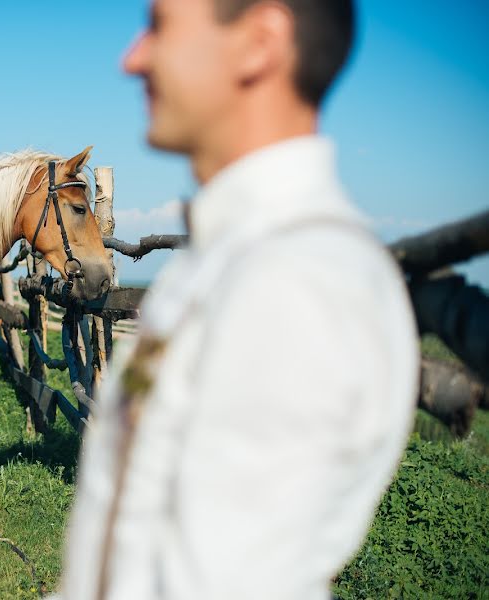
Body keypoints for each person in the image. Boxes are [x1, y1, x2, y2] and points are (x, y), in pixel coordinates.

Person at [56, 1, 419, 598]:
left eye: (159, 26)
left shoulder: (292, 285)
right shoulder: (235, 261)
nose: (132, 59)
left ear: (259, 43)